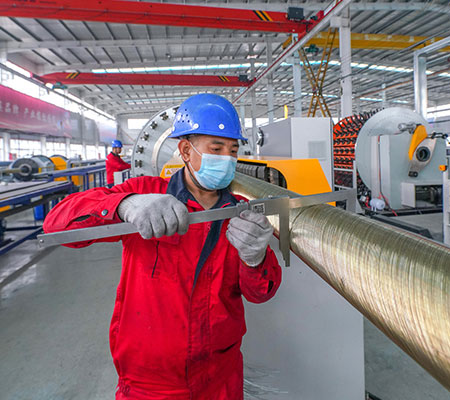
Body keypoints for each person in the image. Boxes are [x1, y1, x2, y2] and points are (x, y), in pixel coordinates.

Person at [43, 94, 282, 400]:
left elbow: (260, 294)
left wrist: (255, 258)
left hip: (220, 377)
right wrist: (125, 205)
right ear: (186, 150)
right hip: (149, 384)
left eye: (233, 151)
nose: (227, 159)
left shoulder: (240, 211)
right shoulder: (146, 194)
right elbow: (56, 224)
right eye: (216, 149)